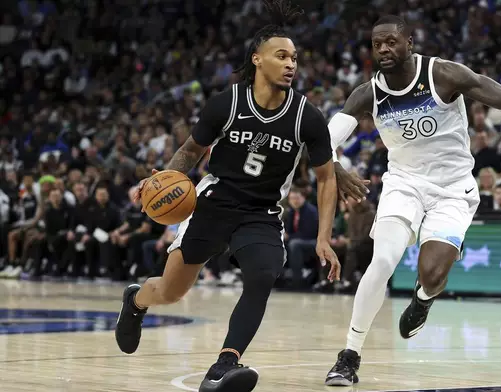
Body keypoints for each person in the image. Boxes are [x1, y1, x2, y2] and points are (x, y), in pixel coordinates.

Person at [325, 15, 501, 386]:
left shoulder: (444, 75)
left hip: (452, 187)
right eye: (376, 44)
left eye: (391, 42)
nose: (383, 49)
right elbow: (324, 139)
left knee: (432, 275)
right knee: (382, 260)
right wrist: (335, 167)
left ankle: (423, 298)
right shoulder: (367, 93)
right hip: (404, 184)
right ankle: (349, 355)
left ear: (409, 43)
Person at [113, 2, 340, 392]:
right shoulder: (227, 102)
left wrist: (323, 237)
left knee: (263, 274)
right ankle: (136, 301)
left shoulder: (308, 116)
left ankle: (223, 366)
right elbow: (190, 151)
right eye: (281, 56)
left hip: (261, 212)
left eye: (295, 58)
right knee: (170, 291)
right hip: (213, 203)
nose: (291, 64)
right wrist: (163, 179)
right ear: (257, 60)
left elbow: (326, 178)